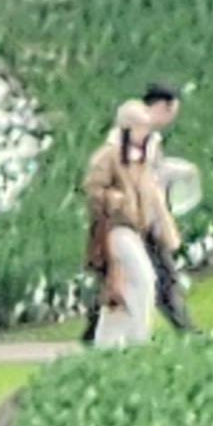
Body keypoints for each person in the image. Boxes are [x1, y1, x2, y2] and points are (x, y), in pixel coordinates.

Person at [81, 99, 169, 348]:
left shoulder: (140, 159)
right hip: (114, 229)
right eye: (142, 127)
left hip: (133, 229)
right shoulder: (109, 156)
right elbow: (93, 189)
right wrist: (115, 199)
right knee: (144, 279)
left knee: (123, 288)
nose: (146, 133)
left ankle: (106, 344)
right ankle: (139, 338)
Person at [136, 81, 200, 331]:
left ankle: (94, 332)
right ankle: (188, 331)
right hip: (143, 219)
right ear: (164, 106)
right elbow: (148, 180)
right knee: (165, 278)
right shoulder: (146, 138)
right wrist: (164, 220)